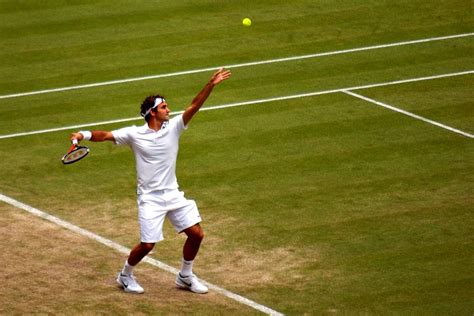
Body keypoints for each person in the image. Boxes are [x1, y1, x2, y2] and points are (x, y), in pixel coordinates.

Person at [70, 68, 231, 294]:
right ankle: (125, 275)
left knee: (196, 234)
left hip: (173, 193)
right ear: (152, 112)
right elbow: (105, 135)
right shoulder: (134, 134)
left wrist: (211, 84)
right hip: (149, 198)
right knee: (147, 245)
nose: (169, 109)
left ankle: (185, 276)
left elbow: (194, 105)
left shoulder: (174, 128)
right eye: (164, 107)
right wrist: (82, 135)